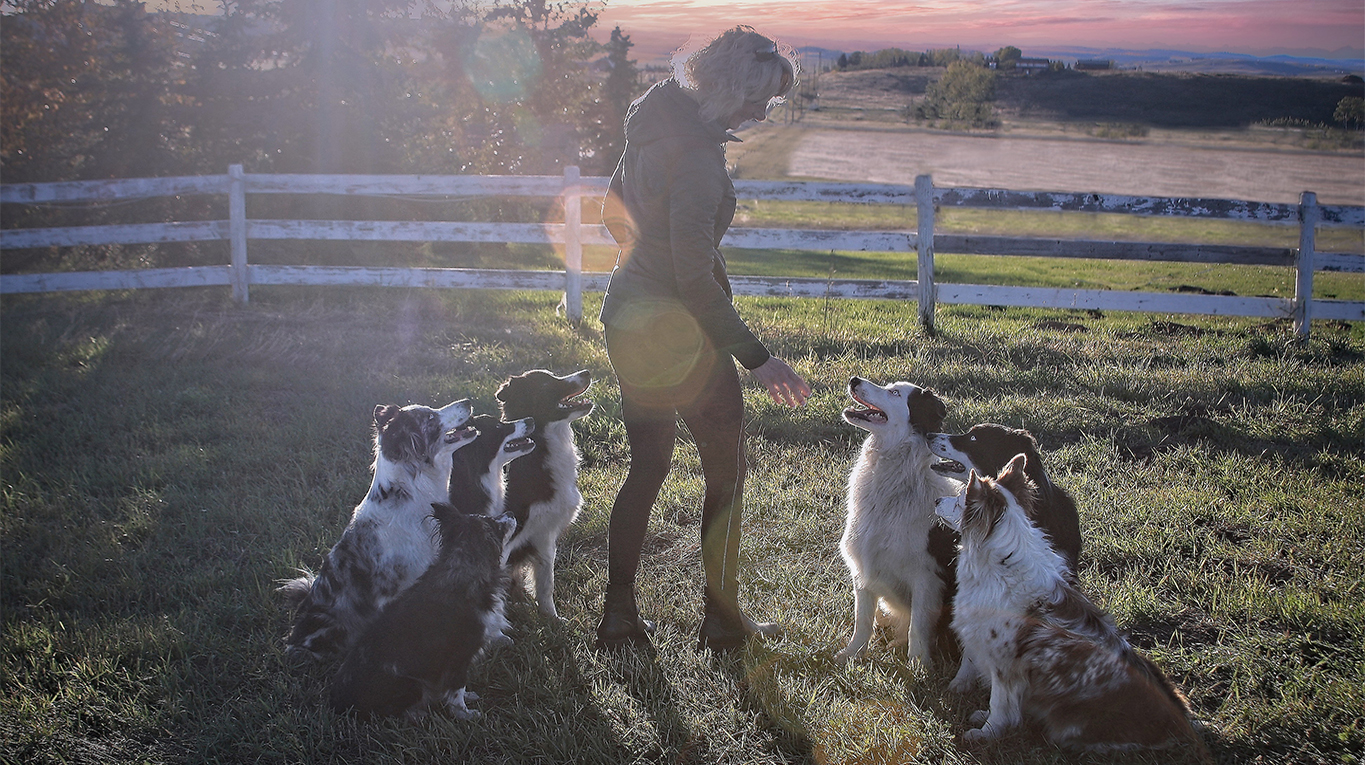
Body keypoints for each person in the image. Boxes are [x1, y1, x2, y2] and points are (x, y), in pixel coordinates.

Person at [596, 26, 812, 652]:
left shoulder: (650, 116)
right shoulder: (694, 154)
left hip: (629, 319)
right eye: (757, 97)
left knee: (647, 466)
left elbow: (613, 204)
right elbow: (693, 273)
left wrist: (640, 267)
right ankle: (721, 620)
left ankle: (618, 620)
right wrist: (758, 357)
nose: (762, 112)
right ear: (726, 87)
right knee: (725, 473)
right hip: (682, 333)